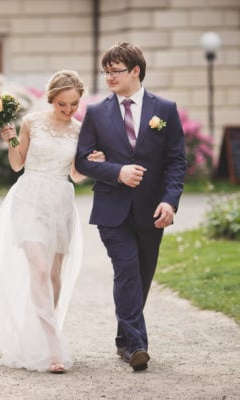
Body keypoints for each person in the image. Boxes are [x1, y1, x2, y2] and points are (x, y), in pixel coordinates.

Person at [0, 70, 105, 373]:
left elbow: (75, 175)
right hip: (29, 197)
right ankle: (54, 348)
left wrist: (93, 164)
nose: (68, 110)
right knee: (39, 269)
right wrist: (11, 139)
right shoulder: (31, 122)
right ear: (51, 98)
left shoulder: (80, 130)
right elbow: (18, 164)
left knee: (54, 275)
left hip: (60, 201)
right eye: (62, 104)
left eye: (73, 104)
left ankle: (44, 334)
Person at [75, 42, 187, 371]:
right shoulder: (96, 112)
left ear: (135, 71)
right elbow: (82, 160)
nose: (109, 76)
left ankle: (124, 340)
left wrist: (170, 201)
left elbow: (176, 162)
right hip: (112, 210)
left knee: (141, 277)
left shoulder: (165, 109)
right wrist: (117, 172)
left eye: (115, 71)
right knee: (126, 272)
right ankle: (137, 346)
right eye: (105, 71)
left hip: (152, 210)